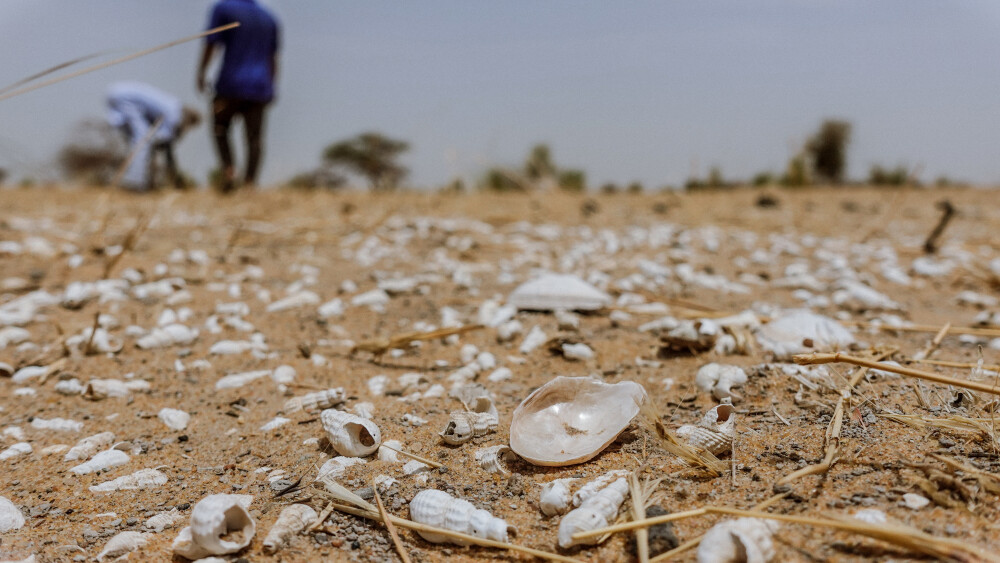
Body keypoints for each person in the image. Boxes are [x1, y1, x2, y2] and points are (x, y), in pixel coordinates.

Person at [196, 0, 280, 193]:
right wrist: (272, 86)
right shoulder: (269, 18)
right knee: (255, 137)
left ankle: (229, 169)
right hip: (260, 85)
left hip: (231, 82)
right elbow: (272, 57)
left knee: (220, 127)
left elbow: (211, 42)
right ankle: (250, 182)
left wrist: (201, 72)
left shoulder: (223, 8)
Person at [106, 81, 201, 191]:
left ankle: (127, 177)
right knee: (143, 140)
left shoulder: (172, 104)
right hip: (127, 98)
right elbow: (163, 141)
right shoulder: (176, 115)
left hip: (116, 92)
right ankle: (135, 183)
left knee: (134, 141)